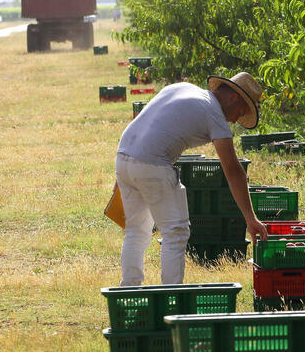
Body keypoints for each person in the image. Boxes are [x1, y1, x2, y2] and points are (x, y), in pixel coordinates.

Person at [115, 71, 270, 286]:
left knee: (136, 231)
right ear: (234, 96)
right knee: (175, 233)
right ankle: (173, 297)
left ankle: (128, 293)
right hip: (152, 163)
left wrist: (128, 169)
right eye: (240, 113)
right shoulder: (213, 113)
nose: (235, 120)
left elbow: (149, 123)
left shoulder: (182, 88)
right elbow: (233, 170)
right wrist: (251, 219)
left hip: (123, 156)